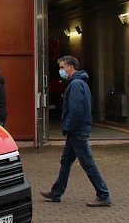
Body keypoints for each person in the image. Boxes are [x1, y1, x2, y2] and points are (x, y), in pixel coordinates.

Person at [41, 55, 112, 207]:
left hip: (77, 130)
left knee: (87, 162)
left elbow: (76, 110)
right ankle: (56, 192)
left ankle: (103, 194)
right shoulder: (80, 83)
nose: (60, 71)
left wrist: (68, 127)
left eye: (62, 67)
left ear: (71, 67)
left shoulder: (75, 84)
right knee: (66, 161)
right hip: (77, 129)